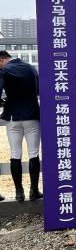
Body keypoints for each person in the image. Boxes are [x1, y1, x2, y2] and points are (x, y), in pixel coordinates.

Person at [0, 50, 42, 201]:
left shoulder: (3, 70)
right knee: (33, 153)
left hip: (13, 117)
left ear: (1, 60)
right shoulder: (31, 68)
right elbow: (38, 90)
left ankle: (19, 192)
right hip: (32, 115)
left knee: (15, 153)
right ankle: (34, 190)